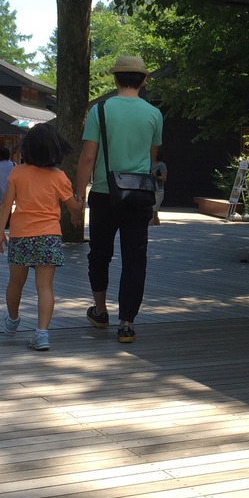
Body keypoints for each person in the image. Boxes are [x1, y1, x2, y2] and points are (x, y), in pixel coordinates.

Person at [75, 55, 163, 344]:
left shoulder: (100, 110)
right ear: (144, 80)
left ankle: (100, 311)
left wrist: (78, 197)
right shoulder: (154, 114)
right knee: (135, 259)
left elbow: (87, 157)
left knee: (100, 253)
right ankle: (127, 324)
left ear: (115, 79)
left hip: (104, 193)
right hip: (139, 195)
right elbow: (152, 158)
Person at [0, 124, 83, 352]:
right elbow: (73, 207)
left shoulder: (18, 172)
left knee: (16, 282)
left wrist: (0, 233)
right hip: (48, 236)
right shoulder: (59, 177)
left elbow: (6, 205)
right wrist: (79, 205)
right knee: (45, 286)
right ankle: (42, 334)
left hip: (21, 235)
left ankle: (12, 319)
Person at [150, 152, 168, 226]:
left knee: (153, 210)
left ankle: (150, 227)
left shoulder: (162, 165)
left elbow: (164, 178)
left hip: (158, 190)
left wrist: (155, 176)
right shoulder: (149, 164)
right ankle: (157, 226)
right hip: (150, 189)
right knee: (154, 212)